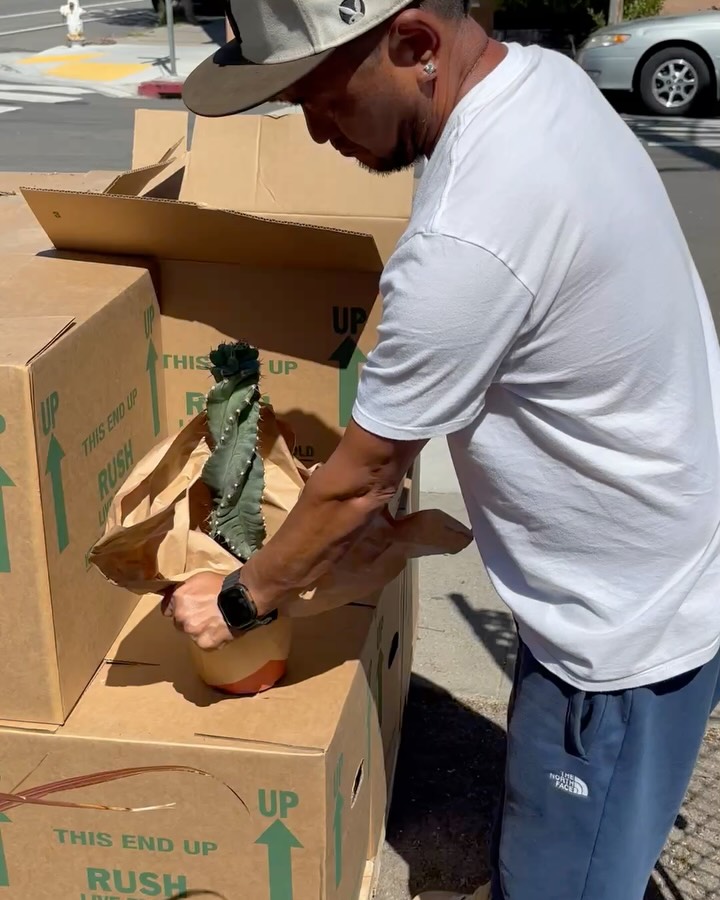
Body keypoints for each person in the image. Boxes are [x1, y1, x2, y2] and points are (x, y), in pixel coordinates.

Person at [167, 2, 720, 898]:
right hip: (665, 539)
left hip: (621, 631)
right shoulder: (544, 82)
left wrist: (242, 596)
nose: (314, 131)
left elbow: (362, 477)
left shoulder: (470, 233)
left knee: (562, 878)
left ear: (416, 45)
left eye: (323, 98)